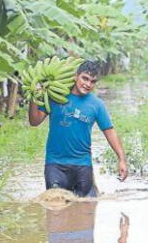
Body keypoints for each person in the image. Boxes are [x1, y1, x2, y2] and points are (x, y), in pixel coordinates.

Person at [28, 60, 128, 197]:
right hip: (55, 165)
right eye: (84, 78)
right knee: (55, 209)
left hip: (82, 165)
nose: (88, 84)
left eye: (92, 81)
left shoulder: (97, 105)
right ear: (76, 76)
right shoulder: (56, 97)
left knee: (85, 209)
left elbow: (109, 131)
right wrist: (34, 97)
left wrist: (121, 159)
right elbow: (34, 121)